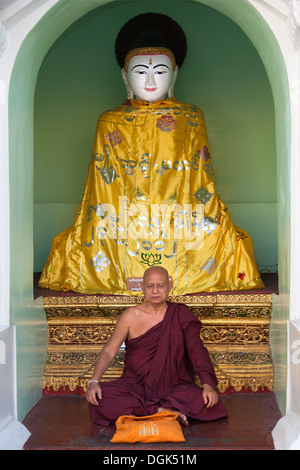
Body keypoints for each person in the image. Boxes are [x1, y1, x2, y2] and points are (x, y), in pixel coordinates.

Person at [38, 13, 264, 295]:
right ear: (124, 75)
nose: (149, 81)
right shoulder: (109, 120)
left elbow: (200, 179)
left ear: (174, 74)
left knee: (226, 242)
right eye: (140, 72)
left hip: (181, 215)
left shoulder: (191, 116)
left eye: (159, 71)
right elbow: (100, 185)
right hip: (121, 217)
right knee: (88, 237)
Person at [86, 266, 228, 426]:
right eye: (149, 286)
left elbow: (197, 350)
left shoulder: (180, 314)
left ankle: (151, 411)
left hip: (174, 388)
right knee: (99, 398)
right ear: (142, 287)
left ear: (169, 286)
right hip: (135, 387)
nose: (155, 291)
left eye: (160, 285)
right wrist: (94, 382)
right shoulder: (130, 316)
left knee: (210, 405)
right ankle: (161, 411)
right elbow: (109, 350)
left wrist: (208, 385)